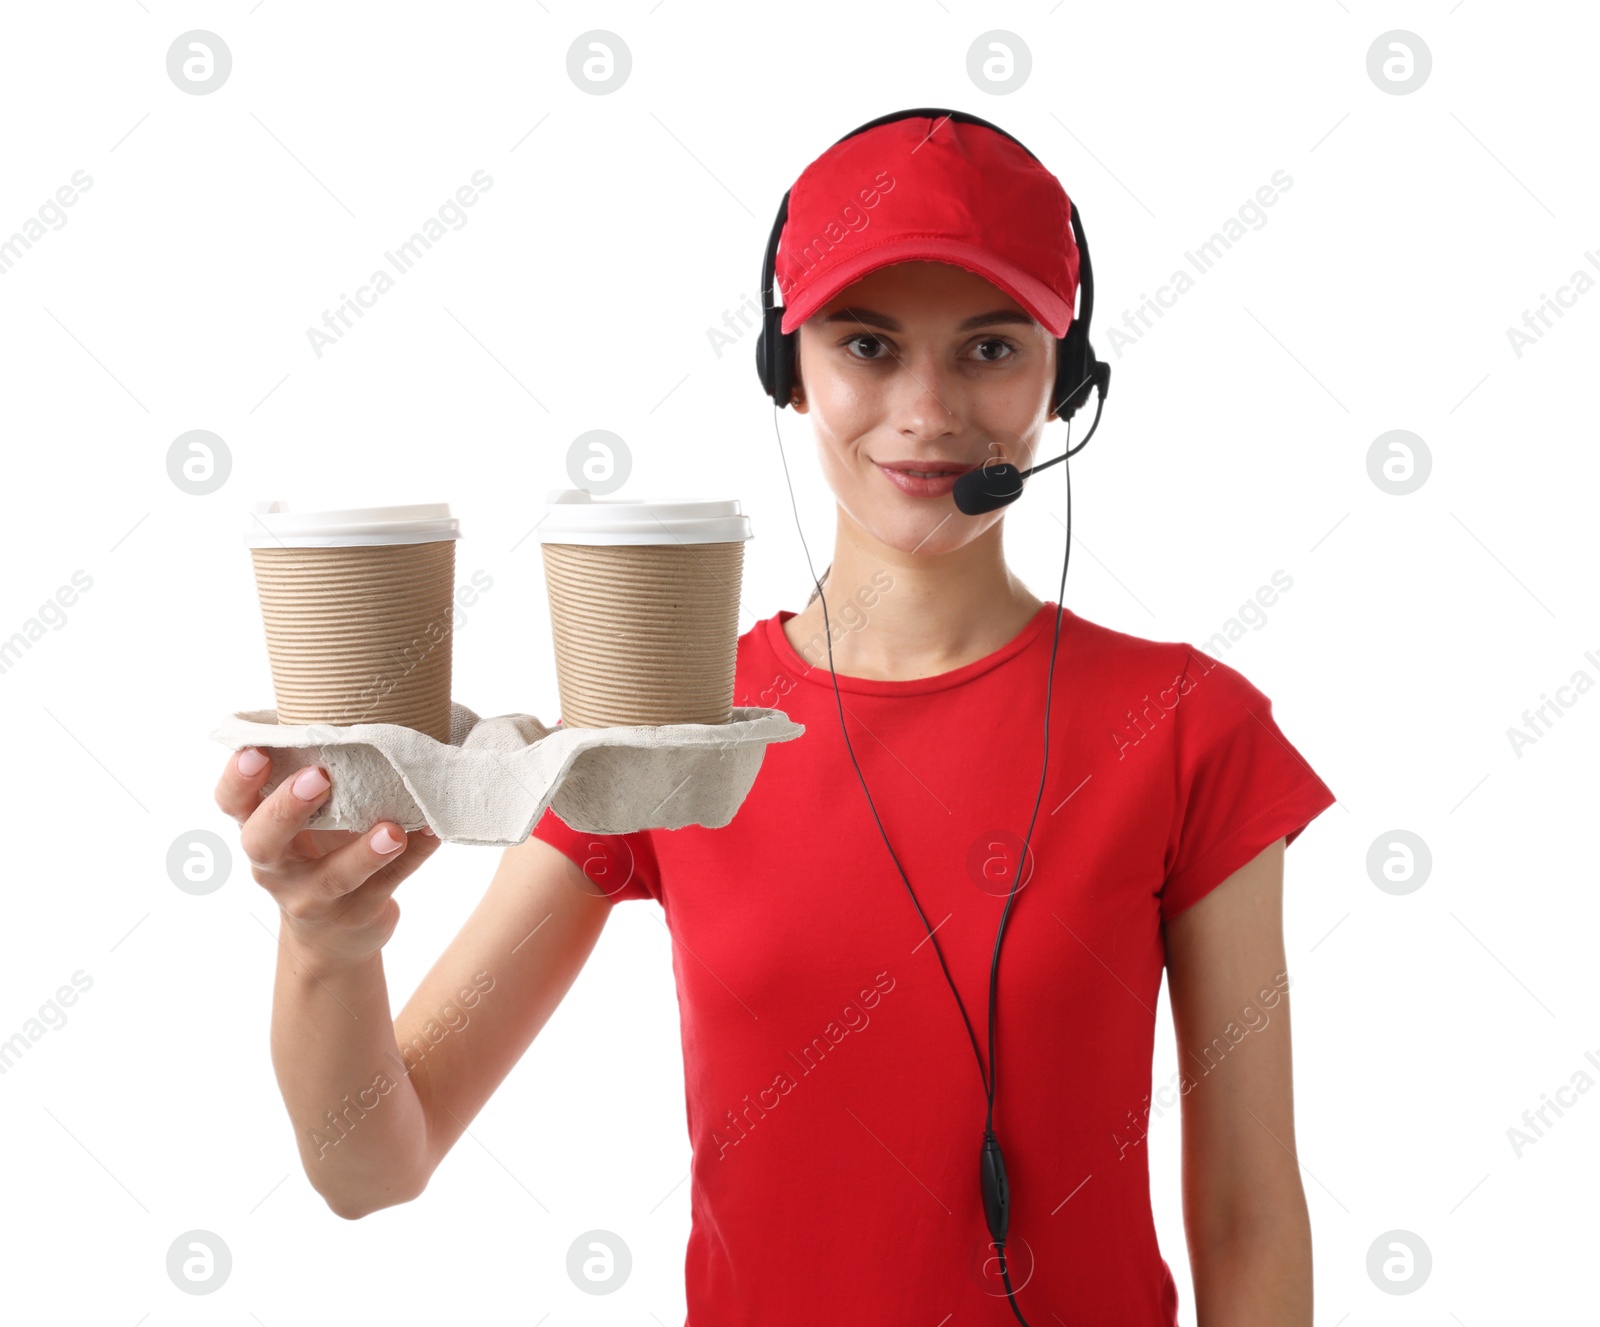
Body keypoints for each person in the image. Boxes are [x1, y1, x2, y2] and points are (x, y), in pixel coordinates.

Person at [214, 111, 1335, 1325]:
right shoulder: (670, 736)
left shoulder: (1184, 728)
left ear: (1064, 382)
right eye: (866, 344)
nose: (925, 409)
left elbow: (1247, 1213)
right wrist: (327, 942)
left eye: (990, 349)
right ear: (786, 370)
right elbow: (370, 1163)